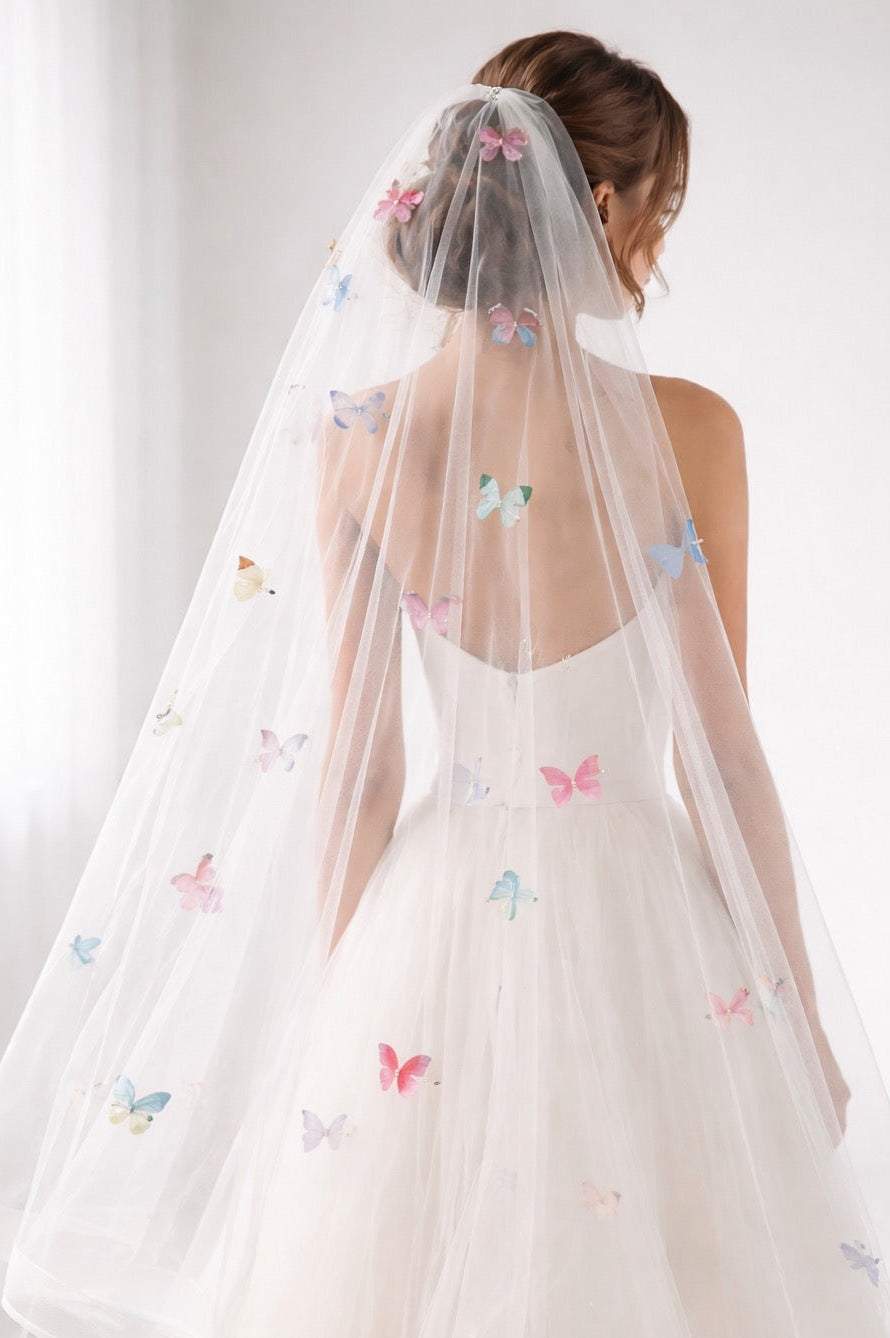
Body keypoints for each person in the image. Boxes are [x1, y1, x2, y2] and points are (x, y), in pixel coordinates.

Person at [1, 27, 889, 1338]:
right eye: (657, 212)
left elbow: (363, 770)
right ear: (594, 206)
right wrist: (791, 1008)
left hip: (430, 922)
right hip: (645, 911)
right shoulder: (689, 432)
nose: (654, 249)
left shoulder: (357, 439)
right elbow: (721, 755)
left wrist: (331, 990)